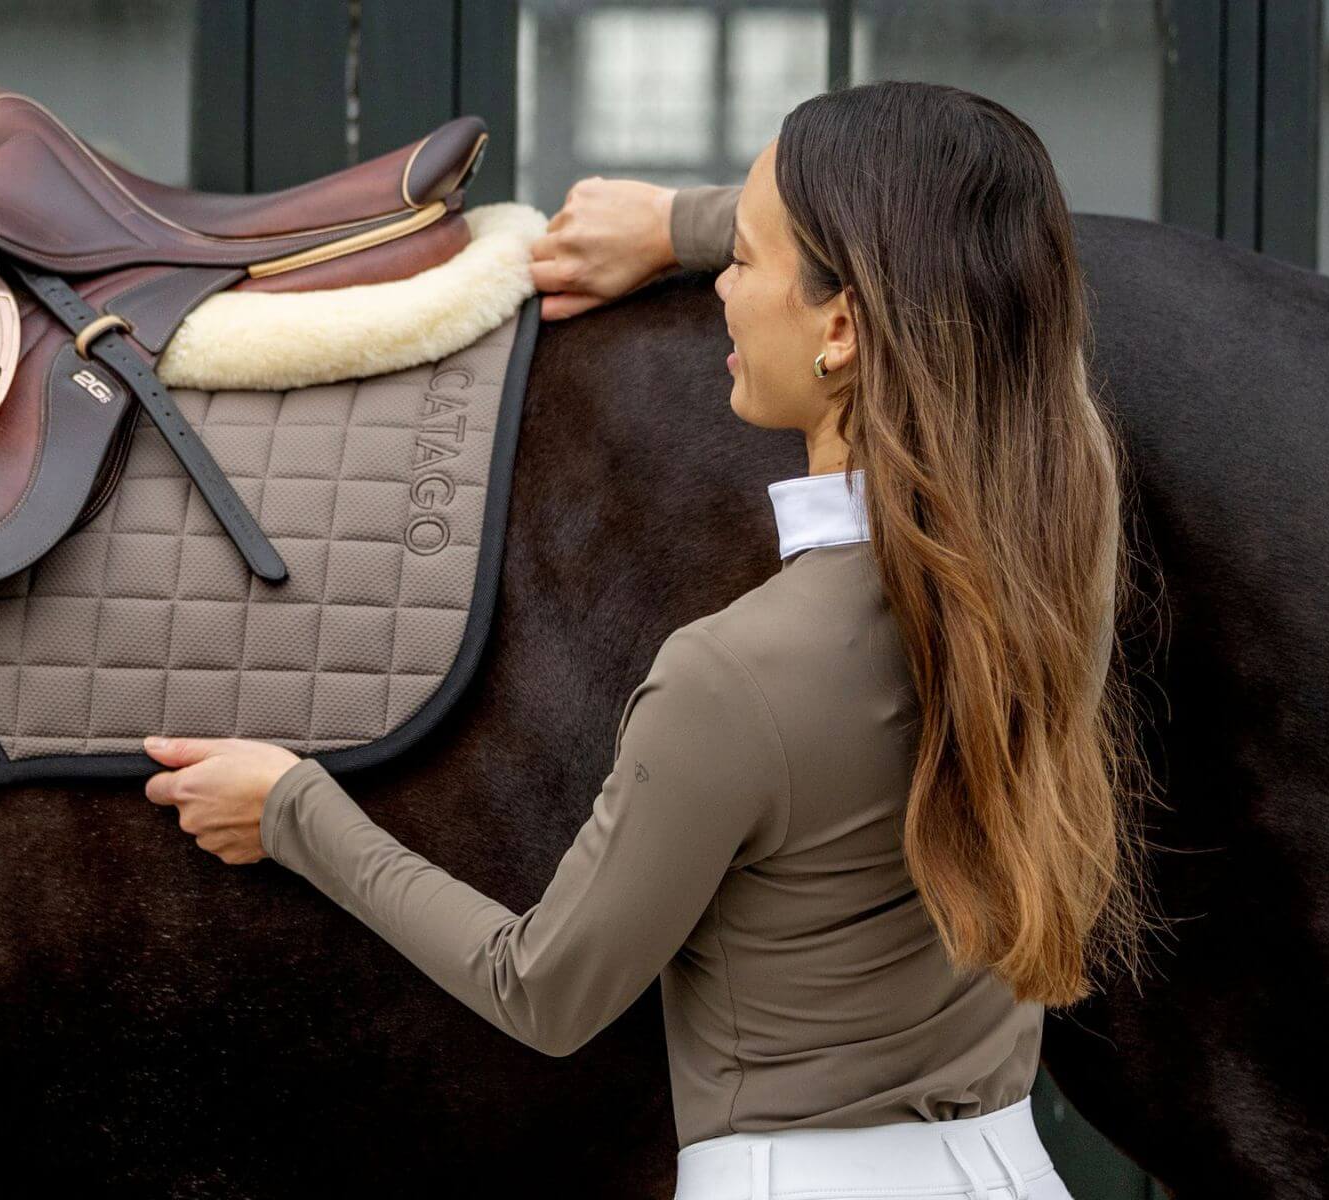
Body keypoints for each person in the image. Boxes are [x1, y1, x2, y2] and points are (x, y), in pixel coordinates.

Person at [141, 81, 1139, 1200]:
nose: (718, 286)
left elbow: (544, 990)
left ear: (842, 326)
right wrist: (678, 224)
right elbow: (986, 253)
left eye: (745, 260)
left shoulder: (729, 676)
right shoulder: (1064, 552)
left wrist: (293, 812)